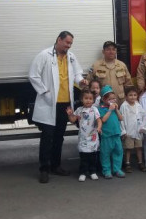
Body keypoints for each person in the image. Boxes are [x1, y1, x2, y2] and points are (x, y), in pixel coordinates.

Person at [29, 31, 88, 184]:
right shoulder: (44, 55)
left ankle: (56, 166)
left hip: (65, 103)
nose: (68, 46)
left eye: (70, 44)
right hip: (49, 102)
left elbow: (77, 74)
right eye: (67, 42)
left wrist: (81, 81)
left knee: (59, 136)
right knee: (47, 136)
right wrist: (44, 91)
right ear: (59, 40)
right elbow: (33, 75)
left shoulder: (71, 56)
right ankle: (44, 169)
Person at [66, 89, 102, 182]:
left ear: (93, 100)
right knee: (84, 156)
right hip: (83, 137)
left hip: (93, 137)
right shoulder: (79, 110)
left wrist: (99, 127)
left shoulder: (95, 109)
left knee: (93, 156)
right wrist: (70, 114)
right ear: (82, 99)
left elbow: (99, 120)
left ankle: (92, 171)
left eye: (90, 98)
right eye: (86, 98)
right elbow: (73, 120)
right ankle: (83, 172)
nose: (88, 100)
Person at [97, 85, 125, 179]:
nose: (113, 100)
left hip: (116, 134)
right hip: (106, 135)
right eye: (110, 99)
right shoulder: (101, 109)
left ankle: (117, 169)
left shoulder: (114, 109)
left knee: (118, 152)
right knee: (105, 153)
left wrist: (116, 110)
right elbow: (103, 120)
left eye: (114, 98)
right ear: (104, 99)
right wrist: (110, 110)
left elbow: (121, 118)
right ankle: (106, 170)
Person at [120, 86, 146, 173]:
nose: (133, 97)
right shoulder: (124, 106)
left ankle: (140, 162)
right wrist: (123, 131)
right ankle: (127, 163)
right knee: (128, 148)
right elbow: (121, 120)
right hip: (128, 132)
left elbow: (144, 116)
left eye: (135, 95)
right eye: (130, 95)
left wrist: (142, 127)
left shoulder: (138, 105)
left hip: (138, 131)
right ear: (126, 96)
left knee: (139, 147)